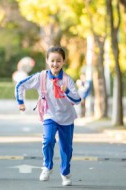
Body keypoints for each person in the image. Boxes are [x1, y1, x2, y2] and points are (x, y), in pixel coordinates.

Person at [15, 46, 81, 186]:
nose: (55, 64)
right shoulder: (41, 77)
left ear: (63, 62)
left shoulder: (67, 80)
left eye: (58, 61)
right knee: (48, 140)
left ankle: (65, 173)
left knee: (66, 148)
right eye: (52, 60)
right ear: (47, 61)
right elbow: (20, 85)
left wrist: (67, 91)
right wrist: (21, 102)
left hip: (66, 118)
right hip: (49, 115)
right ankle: (47, 166)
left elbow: (77, 99)